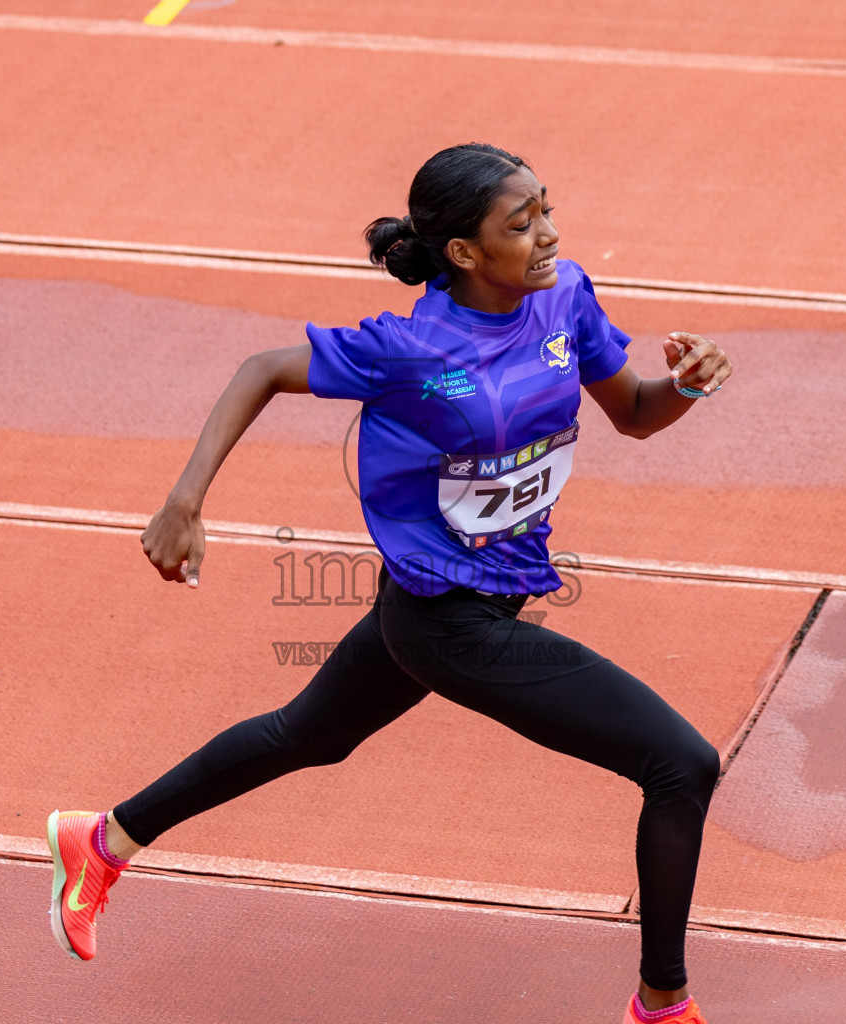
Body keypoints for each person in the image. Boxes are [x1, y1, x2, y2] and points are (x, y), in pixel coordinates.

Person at [46, 142, 733, 1024]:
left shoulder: (565, 298)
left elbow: (635, 413)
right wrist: (184, 503)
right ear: (463, 253)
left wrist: (685, 385)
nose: (549, 234)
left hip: (471, 598)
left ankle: (101, 840)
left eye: (548, 211)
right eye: (521, 225)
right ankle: (663, 1005)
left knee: (308, 734)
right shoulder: (408, 348)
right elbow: (262, 369)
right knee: (681, 763)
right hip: (449, 622)